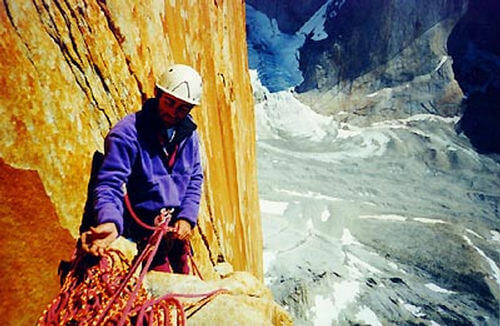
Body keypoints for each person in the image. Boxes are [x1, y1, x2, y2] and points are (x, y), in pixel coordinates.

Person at [80, 64, 204, 274]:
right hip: (145, 232)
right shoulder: (127, 134)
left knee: (186, 277)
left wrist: (187, 216)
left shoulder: (188, 135)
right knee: (162, 290)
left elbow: (194, 177)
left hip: (173, 230)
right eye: (169, 102)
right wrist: (109, 220)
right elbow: (110, 183)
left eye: (182, 108)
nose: (173, 112)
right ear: (158, 94)